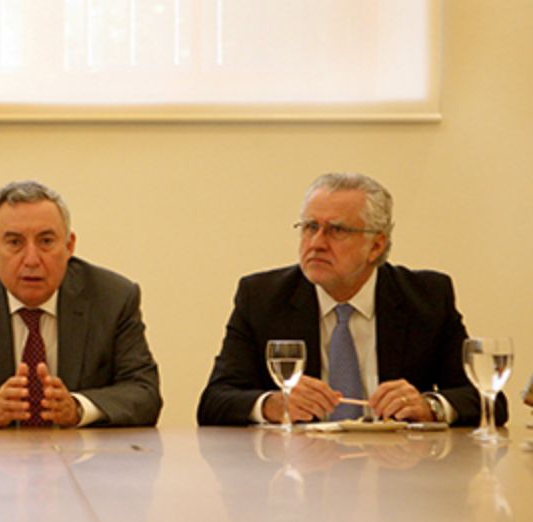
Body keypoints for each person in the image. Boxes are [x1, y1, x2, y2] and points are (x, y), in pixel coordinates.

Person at [197, 172, 506, 427]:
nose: (316, 243)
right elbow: (214, 401)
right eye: (309, 227)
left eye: (336, 231)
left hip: (400, 475)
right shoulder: (262, 297)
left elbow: (489, 401)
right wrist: (272, 405)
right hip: (299, 474)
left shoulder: (426, 297)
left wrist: (430, 407)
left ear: (376, 246)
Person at [0, 180, 161, 428]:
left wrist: (78, 408)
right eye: (14, 243)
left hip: (85, 462)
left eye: (46, 241)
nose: (32, 259)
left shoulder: (113, 298)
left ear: (69, 246)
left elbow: (144, 393)